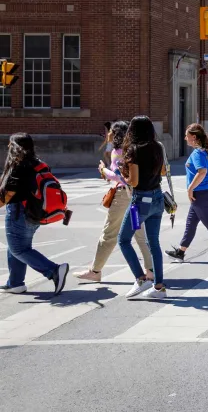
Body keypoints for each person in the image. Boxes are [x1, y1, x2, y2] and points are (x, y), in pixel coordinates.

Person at [76, 121, 154, 283]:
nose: (107, 134)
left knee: (109, 233)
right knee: (140, 234)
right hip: (136, 195)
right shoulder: (134, 149)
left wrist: (103, 170)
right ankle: (151, 271)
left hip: (123, 197)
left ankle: (95, 270)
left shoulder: (118, 151)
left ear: (116, 134)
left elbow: (119, 177)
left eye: (110, 131)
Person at [0, 133, 69, 295]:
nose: (8, 147)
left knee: (18, 249)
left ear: (14, 147)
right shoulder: (38, 163)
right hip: (36, 213)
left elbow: (8, 194)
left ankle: (53, 270)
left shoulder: (18, 165)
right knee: (17, 246)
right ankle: (15, 283)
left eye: (10, 144)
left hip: (19, 212)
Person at [165, 123, 208, 265]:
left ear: (194, 137)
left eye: (187, 136)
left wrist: (190, 189)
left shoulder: (198, 153)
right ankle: (180, 252)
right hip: (207, 192)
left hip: (200, 194)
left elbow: (202, 172)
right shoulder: (206, 151)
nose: (185, 138)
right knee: (191, 223)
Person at [116, 116, 167, 299]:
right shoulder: (158, 147)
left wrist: (123, 176)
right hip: (157, 198)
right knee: (153, 243)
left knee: (123, 239)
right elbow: (162, 171)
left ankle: (140, 278)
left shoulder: (134, 150)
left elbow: (134, 181)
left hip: (140, 200)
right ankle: (158, 287)